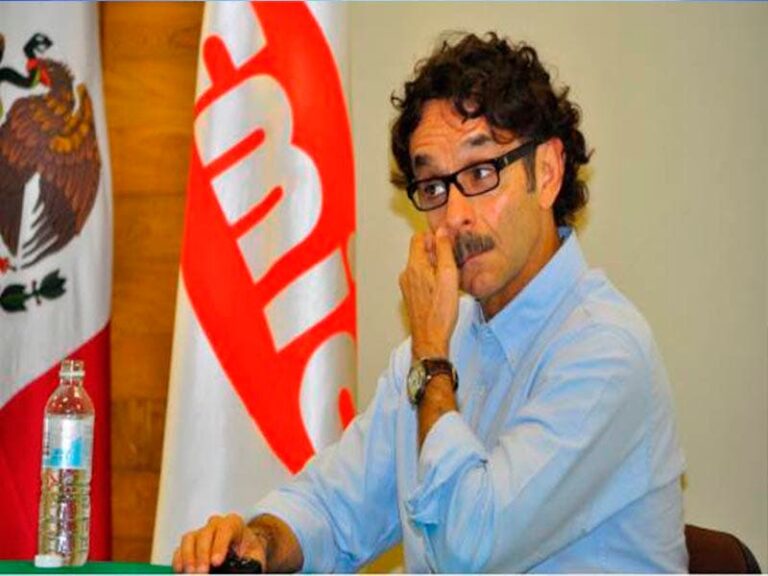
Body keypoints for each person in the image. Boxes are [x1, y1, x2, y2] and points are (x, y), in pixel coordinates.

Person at [173, 32, 687, 573]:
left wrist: (433, 362)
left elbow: (469, 550)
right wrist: (259, 540)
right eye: (435, 186)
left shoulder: (604, 349)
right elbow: (336, 506)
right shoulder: (440, 339)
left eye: (481, 172)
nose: (455, 216)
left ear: (548, 172)